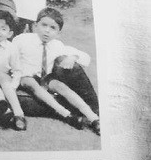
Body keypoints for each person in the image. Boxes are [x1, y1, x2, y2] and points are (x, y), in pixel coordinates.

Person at [17, 7, 100, 135]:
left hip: (45, 78)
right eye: (44, 25)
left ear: (58, 33)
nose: (47, 30)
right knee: (31, 82)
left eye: (53, 28)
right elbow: (10, 57)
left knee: (60, 86)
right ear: (35, 26)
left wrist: (73, 57)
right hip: (25, 76)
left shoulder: (57, 45)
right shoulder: (23, 40)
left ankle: (93, 118)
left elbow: (85, 57)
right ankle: (66, 115)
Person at [0, 10, 26, 131]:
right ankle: (3, 112)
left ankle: (18, 114)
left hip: (2, 77)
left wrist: (13, 86)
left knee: (4, 81)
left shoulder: (11, 48)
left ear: (9, 33)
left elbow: (17, 70)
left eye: (3, 29)